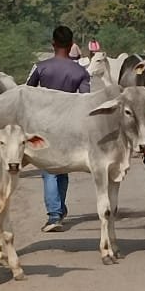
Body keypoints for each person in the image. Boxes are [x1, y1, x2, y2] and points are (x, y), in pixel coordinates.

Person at [27, 25, 92, 232]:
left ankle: (54, 215)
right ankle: (59, 209)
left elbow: (26, 93)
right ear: (72, 45)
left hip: (45, 124)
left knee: (49, 170)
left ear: (53, 43)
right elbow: (85, 100)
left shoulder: (40, 68)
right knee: (63, 168)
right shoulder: (80, 72)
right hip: (69, 125)